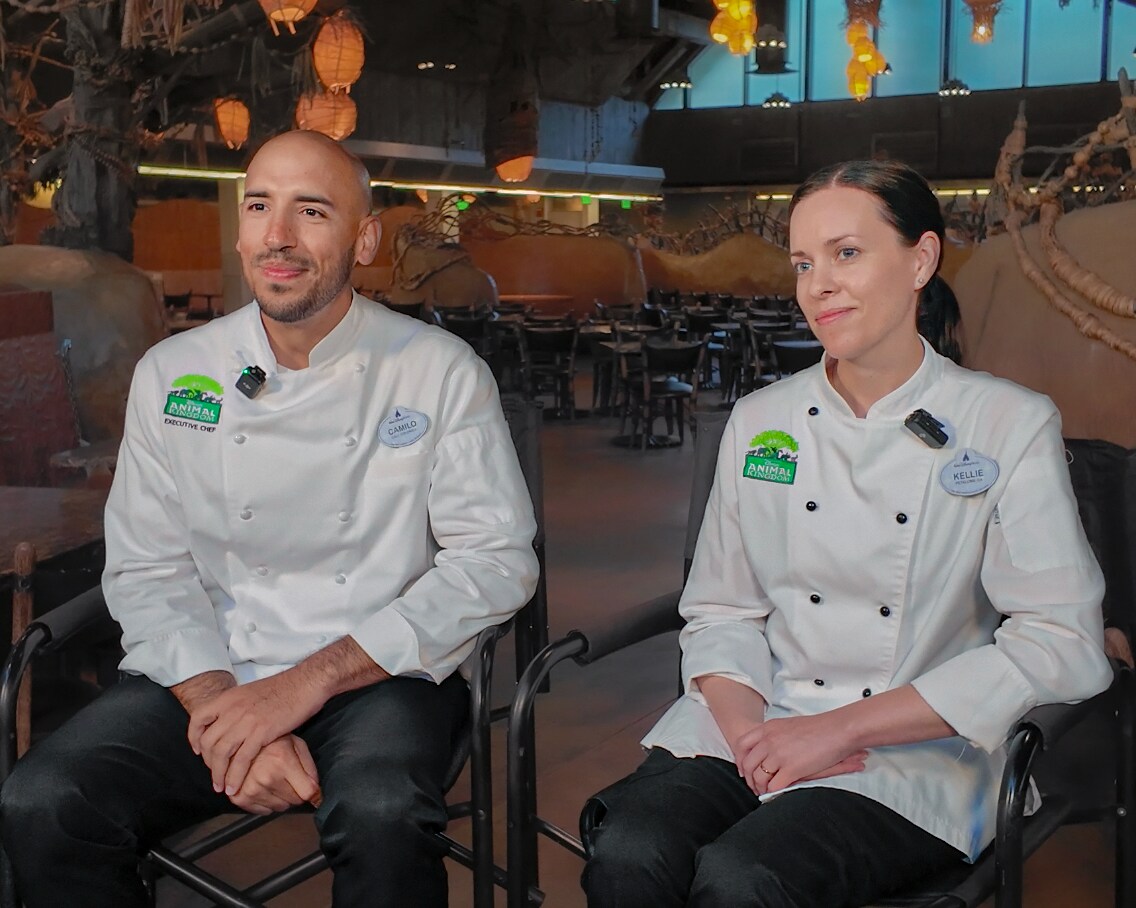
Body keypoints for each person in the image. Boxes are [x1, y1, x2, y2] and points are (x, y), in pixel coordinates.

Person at [0, 130, 539, 908]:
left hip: (376, 676)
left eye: (311, 211)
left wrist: (299, 689)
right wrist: (229, 710)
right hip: (210, 664)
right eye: (260, 206)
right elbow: (149, 566)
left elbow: (495, 561)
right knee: (45, 800)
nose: (277, 237)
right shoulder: (174, 374)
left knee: (384, 814)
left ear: (366, 239)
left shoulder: (438, 372)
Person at [581, 159, 1113, 908]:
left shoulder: (1008, 424)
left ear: (920, 259)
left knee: (744, 878)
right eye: (803, 263)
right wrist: (752, 740)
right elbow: (723, 609)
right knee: (630, 851)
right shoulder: (761, 421)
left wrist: (836, 732)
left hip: (914, 752)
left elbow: (1063, 642)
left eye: (847, 254)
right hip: (754, 717)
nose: (817, 284)